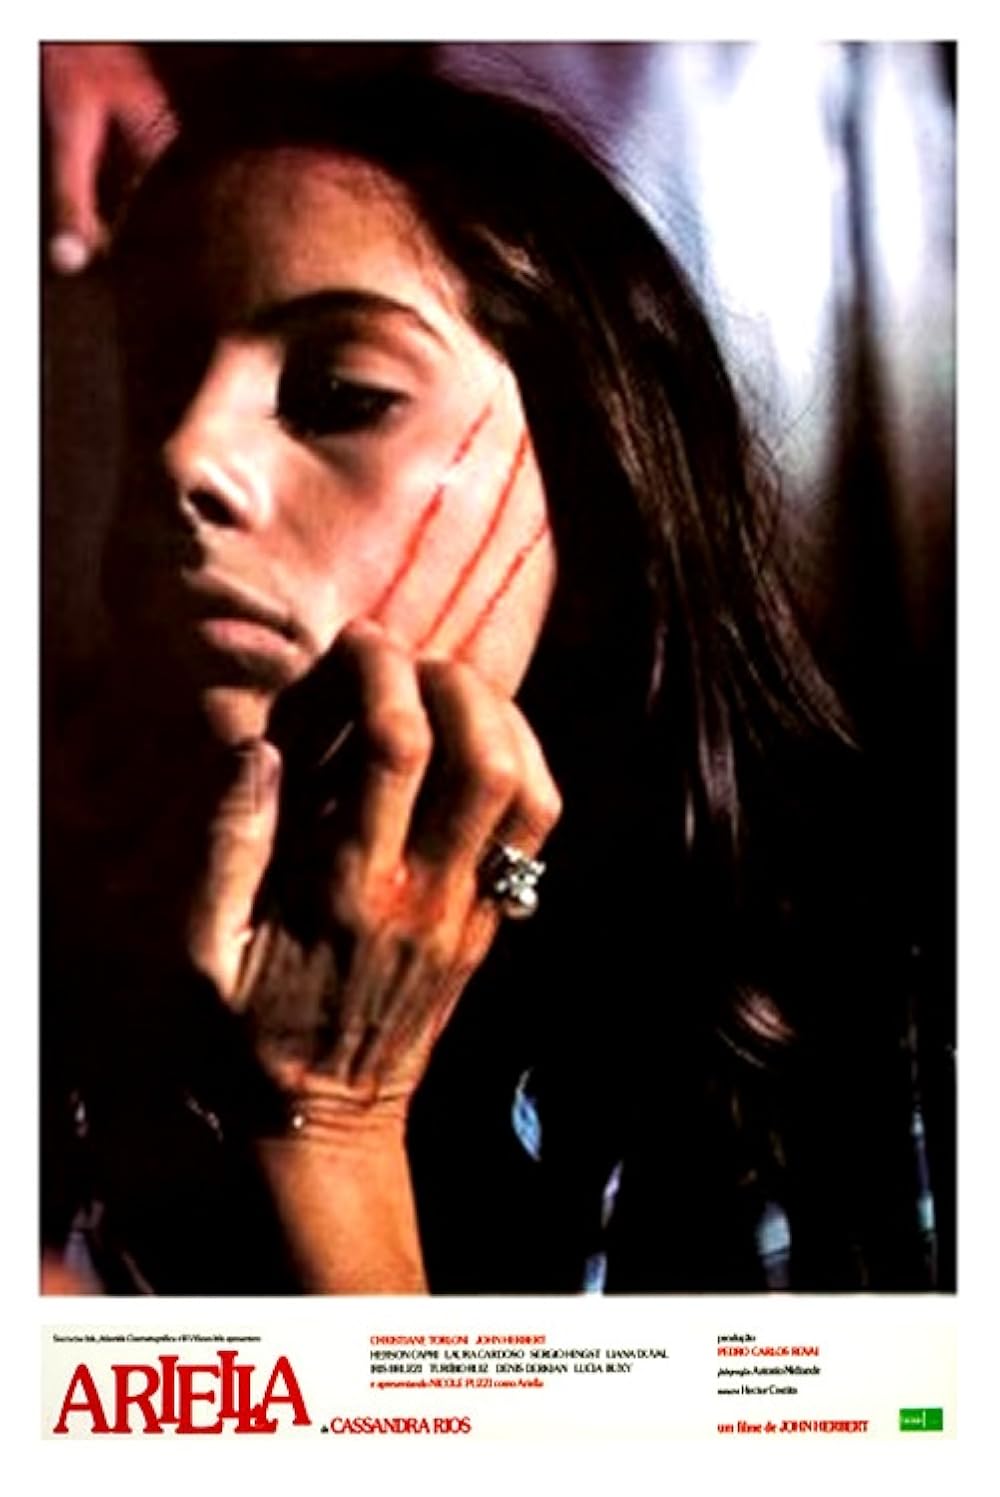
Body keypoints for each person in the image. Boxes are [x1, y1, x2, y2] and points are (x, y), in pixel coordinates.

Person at [42, 69, 946, 1296]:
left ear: (596, 492)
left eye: (340, 396)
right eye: (156, 380)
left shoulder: (872, 1034)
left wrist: (327, 1125)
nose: (185, 455)